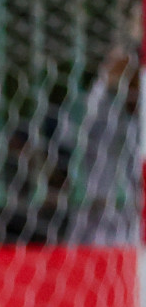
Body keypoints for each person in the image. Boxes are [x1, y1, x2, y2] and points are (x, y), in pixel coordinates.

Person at [62, 44, 140, 246]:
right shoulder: (104, 113)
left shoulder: (136, 122)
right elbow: (73, 132)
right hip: (95, 221)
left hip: (131, 223)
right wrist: (106, 83)